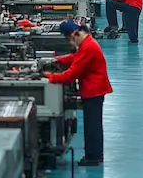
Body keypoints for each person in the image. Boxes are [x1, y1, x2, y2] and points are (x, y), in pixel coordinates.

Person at [45, 20, 113, 166]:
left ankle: (93, 157)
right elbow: (76, 58)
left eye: (69, 40)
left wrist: (49, 77)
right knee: (93, 125)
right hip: (95, 88)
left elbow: (71, 75)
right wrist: (57, 61)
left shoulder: (88, 47)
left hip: (93, 90)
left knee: (92, 126)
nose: (71, 43)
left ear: (73, 35)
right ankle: (94, 155)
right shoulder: (87, 42)